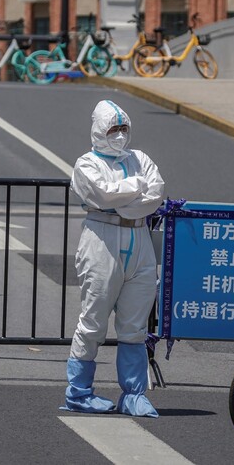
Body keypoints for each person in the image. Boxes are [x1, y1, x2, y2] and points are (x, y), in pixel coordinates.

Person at [61, 99, 165, 418]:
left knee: (134, 325)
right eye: (113, 129)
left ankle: (133, 393)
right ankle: (79, 391)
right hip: (101, 241)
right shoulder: (87, 163)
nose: (119, 135)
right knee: (93, 321)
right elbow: (103, 195)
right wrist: (135, 189)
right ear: (99, 130)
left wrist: (122, 199)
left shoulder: (141, 158)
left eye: (123, 129)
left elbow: (156, 193)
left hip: (139, 240)